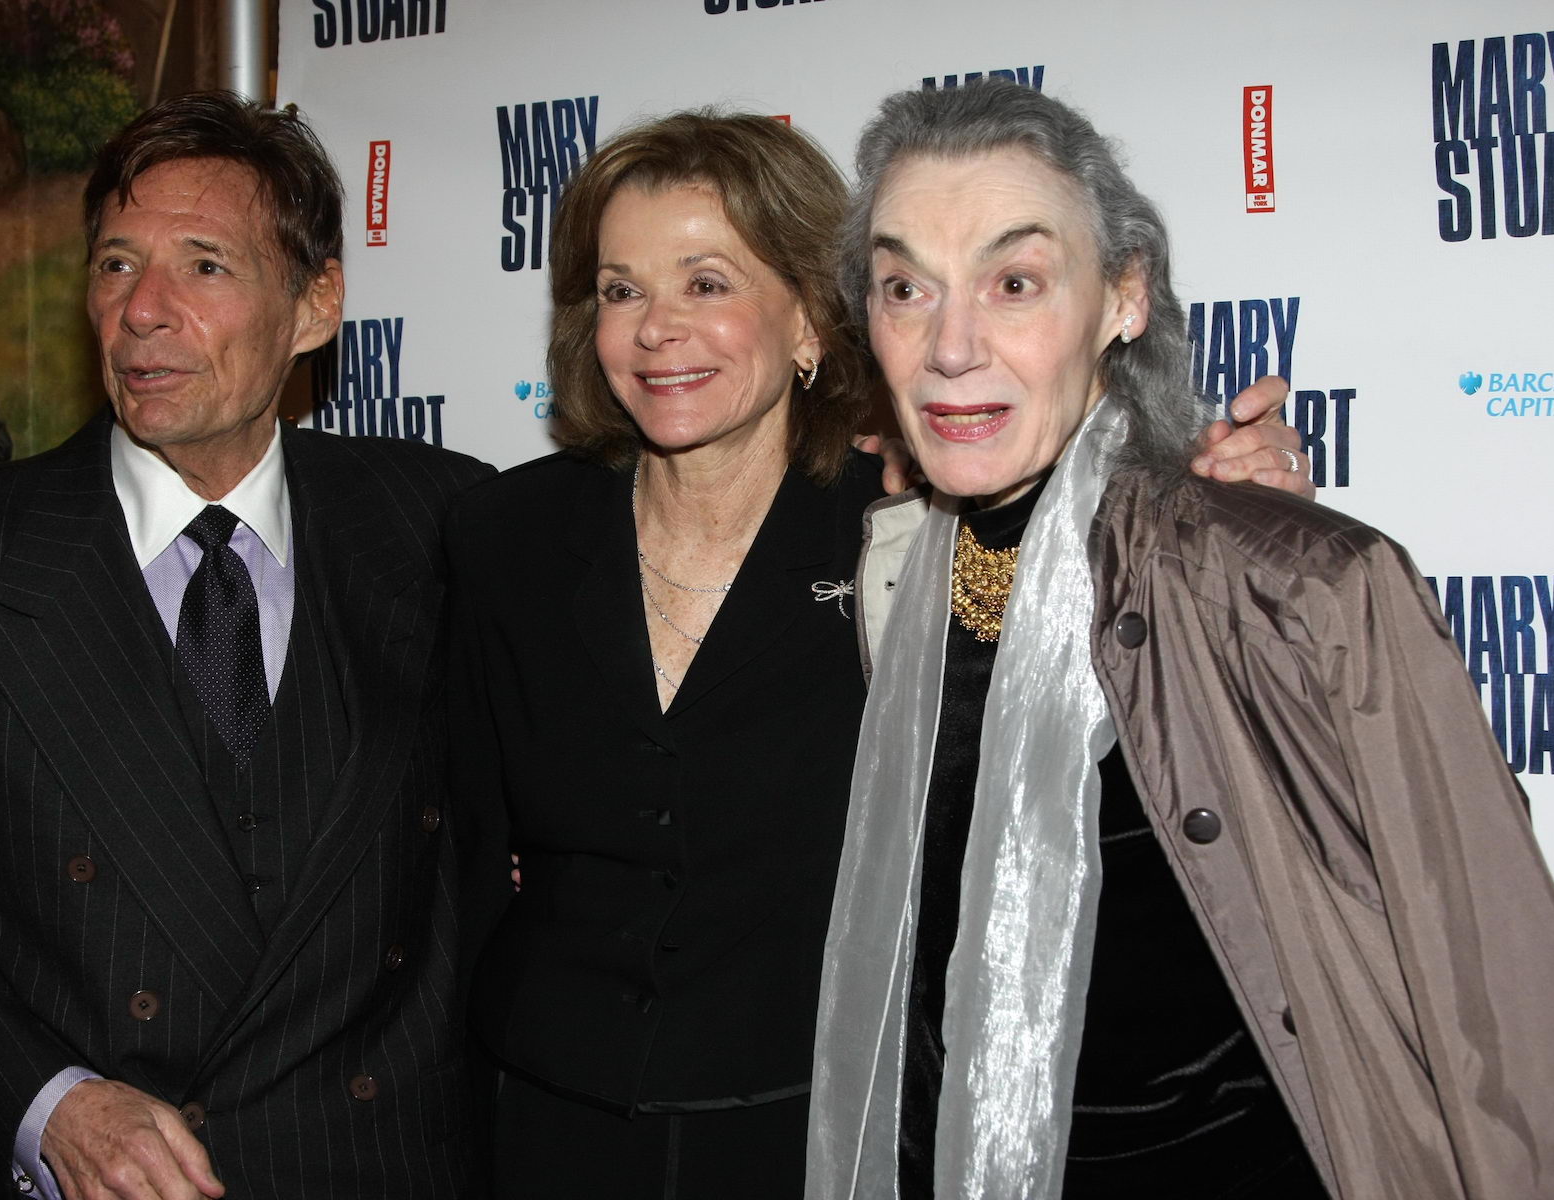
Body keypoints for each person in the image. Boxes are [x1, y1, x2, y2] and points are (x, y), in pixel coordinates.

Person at [448, 110, 1306, 1199]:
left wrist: (1218, 487)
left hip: (818, 1126)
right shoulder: (501, 535)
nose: (656, 329)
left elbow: (1093, 515)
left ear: (811, 318)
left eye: (706, 283)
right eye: (621, 290)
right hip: (541, 1123)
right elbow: (465, 852)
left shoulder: (916, 527)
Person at [809, 81, 1554, 1200]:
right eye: (907, 286)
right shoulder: (886, 578)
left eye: (1015, 283)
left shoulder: (1292, 588)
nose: (951, 346)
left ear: (1123, 300)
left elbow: (1496, 999)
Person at [0, 92, 489, 1200]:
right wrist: (51, 1105)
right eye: (117, 265)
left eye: (205, 267)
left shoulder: (439, 523)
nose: (143, 311)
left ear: (314, 304)